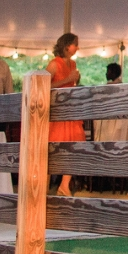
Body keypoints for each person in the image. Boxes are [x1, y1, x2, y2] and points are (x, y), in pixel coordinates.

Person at [47, 33, 84, 196]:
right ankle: (44, 186)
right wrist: (67, 79)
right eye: (75, 44)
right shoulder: (54, 64)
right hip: (58, 113)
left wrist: (75, 81)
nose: (78, 47)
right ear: (67, 46)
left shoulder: (73, 63)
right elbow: (44, 86)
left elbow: (71, 85)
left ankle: (64, 184)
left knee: (73, 147)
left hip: (70, 112)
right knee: (53, 149)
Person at [93, 63, 128, 143]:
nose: (106, 73)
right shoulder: (122, 87)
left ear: (113, 73)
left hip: (113, 120)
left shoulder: (110, 88)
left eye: (108, 71)